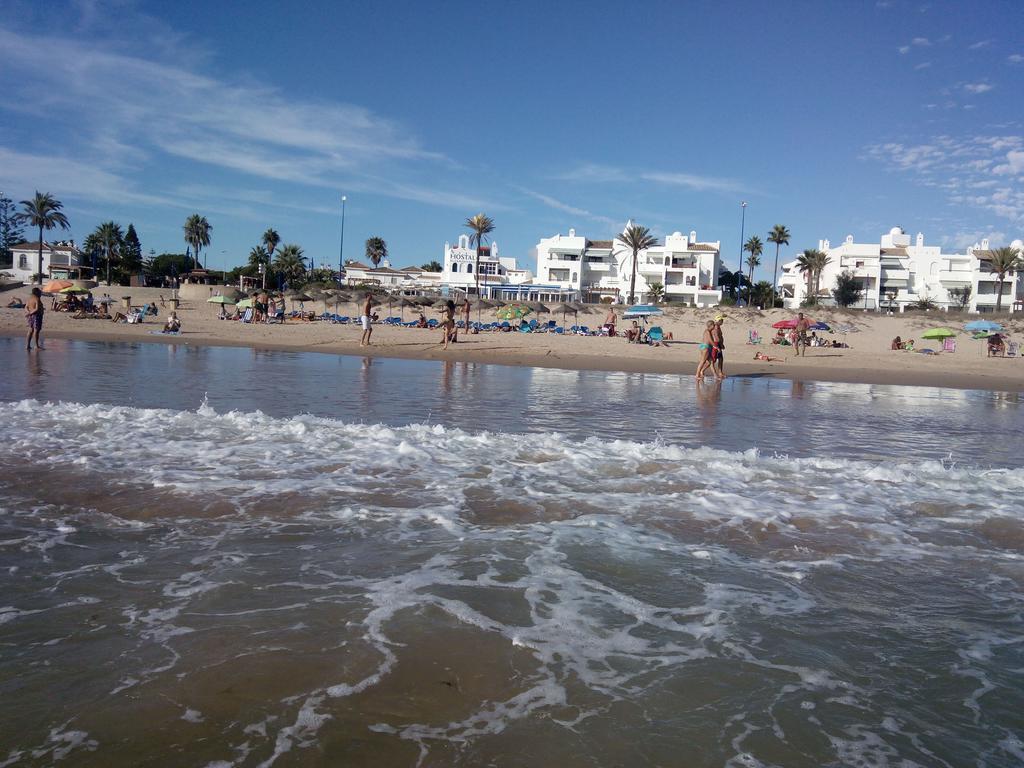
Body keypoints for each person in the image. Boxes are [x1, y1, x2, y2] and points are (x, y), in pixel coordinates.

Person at [711, 315, 726, 379]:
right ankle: (702, 371)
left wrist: (722, 344)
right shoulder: (716, 327)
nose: (723, 321)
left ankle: (720, 372)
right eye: (721, 320)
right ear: (718, 321)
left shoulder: (718, 327)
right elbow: (717, 338)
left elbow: (720, 337)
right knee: (713, 360)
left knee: (720, 358)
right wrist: (719, 345)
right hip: (716, 344)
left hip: (718, 344)